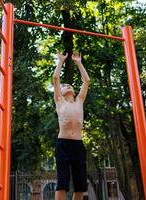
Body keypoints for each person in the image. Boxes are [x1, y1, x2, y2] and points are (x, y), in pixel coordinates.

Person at [53, 52, 90, 200]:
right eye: (64, 86)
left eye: (69, 85)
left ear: (74, 92)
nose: (67, 86)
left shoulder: (79, 101)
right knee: (63, 182)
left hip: (78, 146)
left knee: (80, 185)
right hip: (63, 145)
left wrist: (79, 63)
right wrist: (61, 61)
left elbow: (86, 81)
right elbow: (56, 78)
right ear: (60, 92)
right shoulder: (59, 101)